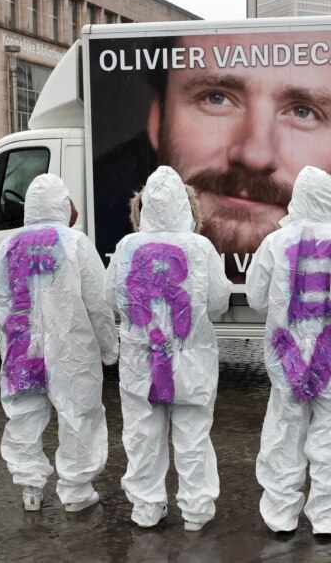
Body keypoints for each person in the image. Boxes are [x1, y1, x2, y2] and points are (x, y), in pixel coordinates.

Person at [93, 29, 331, 282]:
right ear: (157, 120)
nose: (255, 154)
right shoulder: (99, 220)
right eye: (216, 98)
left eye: (303, 111)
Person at [245, 166, 331, 536]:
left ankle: (281, 516)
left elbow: (254, 298)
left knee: (285, 432)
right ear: (330, 197)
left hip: (286, 358)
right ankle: (327, 519)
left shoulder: (274, 242)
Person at [105, 166, 232, 530]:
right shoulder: (199, 247)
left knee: (143, 434)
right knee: (192, 434)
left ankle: (146, 507)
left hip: (140, 361)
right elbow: (219, 301)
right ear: (186, 206)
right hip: (191, 359)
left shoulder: (127, 247)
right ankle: (195, 511)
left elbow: (109, 295)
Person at [0, 173, 119, 513]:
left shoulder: (9, 245)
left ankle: (30, 488)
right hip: (71, 347)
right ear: (63, 204)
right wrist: (109, 349)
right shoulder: (75, 243)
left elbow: (1, 302)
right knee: (78, 412)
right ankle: (77, 491)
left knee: (24, 413)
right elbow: (97, 302)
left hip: (23, 346)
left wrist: (9, 345)